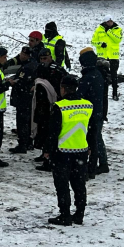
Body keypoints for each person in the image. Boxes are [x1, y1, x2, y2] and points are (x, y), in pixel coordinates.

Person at [44, 75, 92, 226]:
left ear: (63, 89)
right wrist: (91, 146)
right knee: (79, 184)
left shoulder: (60, 106)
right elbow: (92, 129)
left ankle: (65, 214)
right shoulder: (87, 105)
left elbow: (53, 132)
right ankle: (79, 214)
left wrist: (47, 150)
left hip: (63, 152)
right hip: (81, 150)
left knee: (62, 185)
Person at [78, 48, 108, 177]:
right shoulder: (97, 74)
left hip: (91, 112)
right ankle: (101, 163)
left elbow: (80, 94)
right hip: (97, 111)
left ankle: (100, 164)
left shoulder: (89, 76)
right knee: (96, 138)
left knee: (95, 139)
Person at [32, 49, 62, 171]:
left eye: (46, 58)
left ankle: (49, 158)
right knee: (42, 131)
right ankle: (44, 153)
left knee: (50, 133)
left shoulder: (56, 69)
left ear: (50, 57)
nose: (44, 61)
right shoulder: (39, 68)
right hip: (41, 105)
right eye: (41, 59)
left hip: (51, 104)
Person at [8, 46, 38, 154]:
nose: (22, 56)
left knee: (22, 122)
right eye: (21, 54)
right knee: (28, 121)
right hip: (27, 98)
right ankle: (28, 142)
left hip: (23, 98)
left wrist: (13, 82)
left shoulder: (28, 67)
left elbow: (22, 82)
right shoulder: (32, 64)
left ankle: (23, 144)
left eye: (24, 55)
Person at [91, 16, 123, 100]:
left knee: (114, 76)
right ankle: (102, 94)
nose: (110, 23)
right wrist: (100, 44)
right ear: (105, 22)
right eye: (108, 21)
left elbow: (118, 40)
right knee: (102, 77)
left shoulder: (118, 29)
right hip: (102, 57)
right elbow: (93, 41)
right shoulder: (98, 30)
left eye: (111, 21)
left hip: (113, 56)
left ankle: (114, 94)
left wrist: (109, 32)